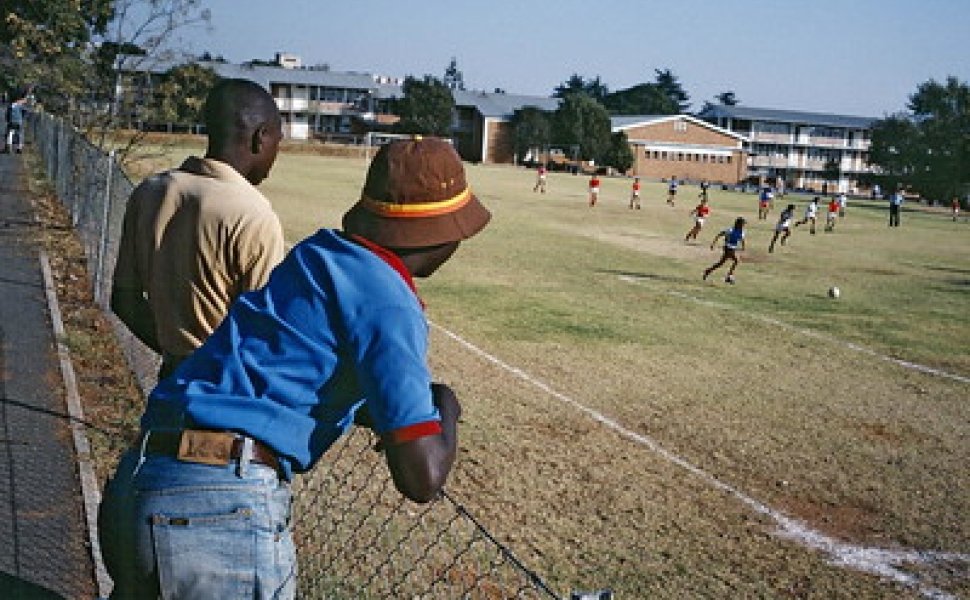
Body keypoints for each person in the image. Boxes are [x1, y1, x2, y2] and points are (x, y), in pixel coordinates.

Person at [97, 136, 491, 598]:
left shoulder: (316, 257)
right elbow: (421, 477)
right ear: (447, 234)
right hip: (217, 511)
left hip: (142, 480)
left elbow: (296, 373)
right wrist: (443, 406)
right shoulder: (389, 299)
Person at [111, 78, 286, 379]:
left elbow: (124, 300)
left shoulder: (151, 191)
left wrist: (176, 351)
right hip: (224, 395)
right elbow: (264, 337)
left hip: (169, 384)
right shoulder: (254, 215)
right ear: (261, 137)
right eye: (278, 141)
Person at [704, 217, 746, 284]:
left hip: (733, 248)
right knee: (736, 260)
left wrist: (743, 247)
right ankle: (729, 276)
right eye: (743, 224)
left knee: (721, 263)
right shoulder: (731, 230)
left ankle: (708, 271)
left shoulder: (742, 232)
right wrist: (713, 243)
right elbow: (719, 234)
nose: (744, 225)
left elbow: (742, 240)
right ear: (739, 224)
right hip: (728, 248)